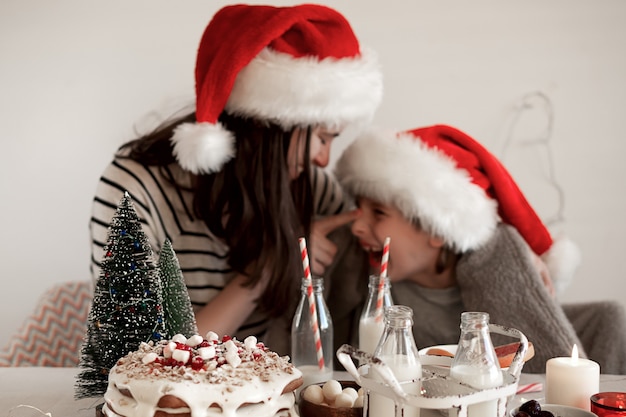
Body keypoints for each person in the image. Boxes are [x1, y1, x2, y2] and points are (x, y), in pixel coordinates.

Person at [89, 4, 382, 350]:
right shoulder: (134, 188)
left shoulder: (310, 188)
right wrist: (271, 267)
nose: (323, 159)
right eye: (322, 137)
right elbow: (142, 354)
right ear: (270, 129)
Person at [334, 124, 626, 374]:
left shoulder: (490, 269)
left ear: (436, 229)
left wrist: (511, 253)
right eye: (358, 209)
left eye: (379, 213)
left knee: (610, 316)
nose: (357, 226)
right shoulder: (373, 288)